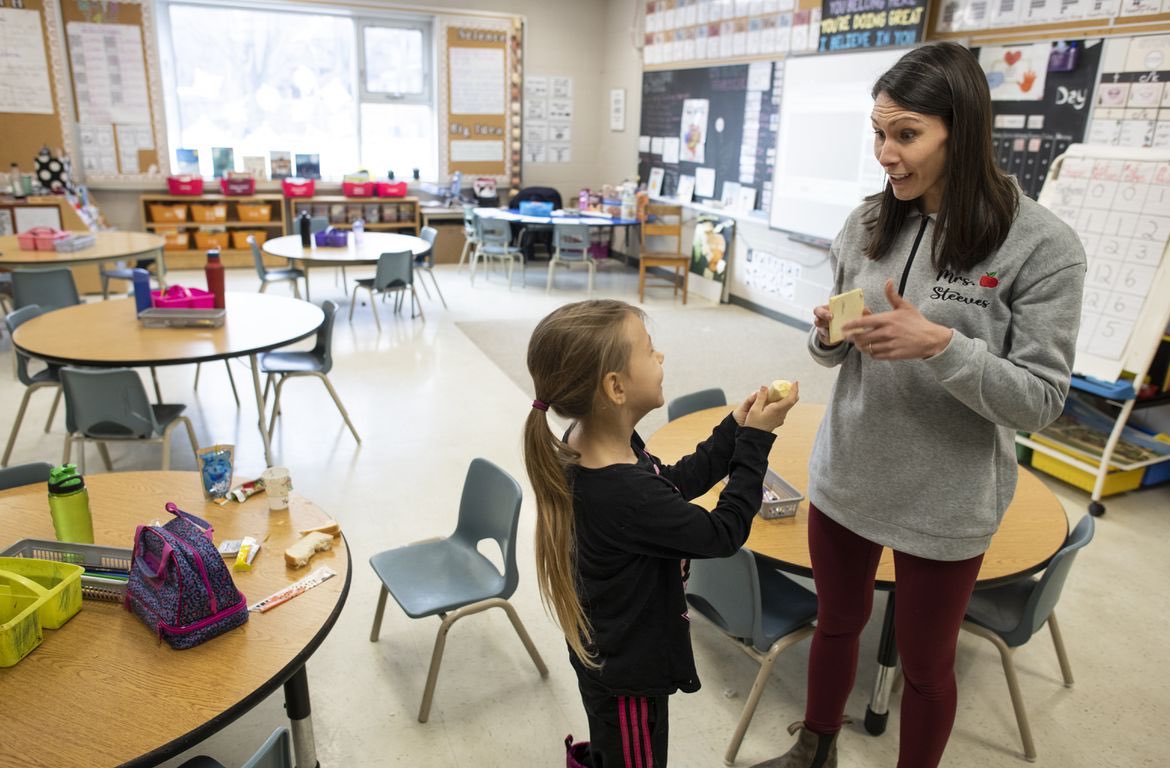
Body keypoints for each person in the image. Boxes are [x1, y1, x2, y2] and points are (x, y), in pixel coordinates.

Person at [751, 43, 1086, 768]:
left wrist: (942, 345)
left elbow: (1043, 401)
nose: (885, 154)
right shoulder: (868, 221)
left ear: (959, 132)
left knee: (928, 668)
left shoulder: (1042, 246)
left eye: (905, 134)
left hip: (947, 497)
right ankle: (815, 750)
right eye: (878, 134)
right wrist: (828, 337)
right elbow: (836, 347)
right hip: (847, 473)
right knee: (837, 625)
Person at [523, 299, 800, 767]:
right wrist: (756, 442)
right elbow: (723, 532)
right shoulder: (623, 494)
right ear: (615, 387)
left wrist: (733, 428)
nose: (662, 358)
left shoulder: (589, 444)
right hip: (627, 674)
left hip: (611, 650)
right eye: (650, 352)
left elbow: (670, 481)